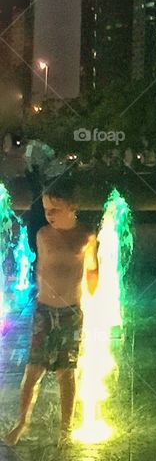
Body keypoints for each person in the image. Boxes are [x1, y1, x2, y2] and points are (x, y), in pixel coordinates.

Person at [5, 176, 99, 445]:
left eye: (55, 209)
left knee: (66, 373)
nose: (49, 214)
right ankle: (22, 422)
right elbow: (41, 269)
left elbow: (92, 268)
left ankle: (65, 429)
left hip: (71, 313)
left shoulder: (86, 236)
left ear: (72, 206)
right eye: (46, 209)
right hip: (44, 312)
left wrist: (94, 290)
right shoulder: (43, 235)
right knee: (33, 369)